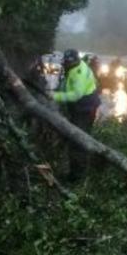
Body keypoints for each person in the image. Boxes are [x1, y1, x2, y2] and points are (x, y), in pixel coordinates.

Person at [49, 49, 101, 182]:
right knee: (75, 138)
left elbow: (75, 95)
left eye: (68, 63)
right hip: (81, 108)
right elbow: (66, 83)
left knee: (78, 140)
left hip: (85, 109)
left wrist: (55, 96)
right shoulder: (75, 66)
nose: (66, 65)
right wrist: (57, 90)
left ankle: (77, 177)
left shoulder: (79, 73)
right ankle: (76, 171)